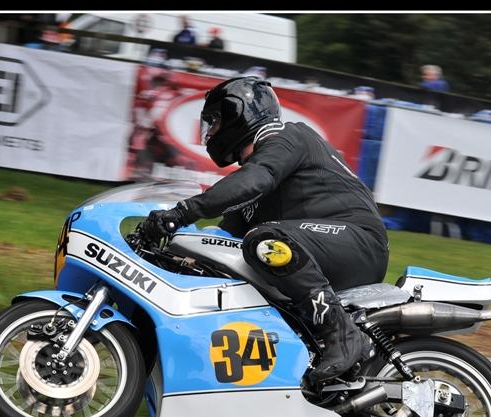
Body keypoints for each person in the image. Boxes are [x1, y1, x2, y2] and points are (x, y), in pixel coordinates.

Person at [142, 77, 389, 383]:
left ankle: (342, 335)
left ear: (238, 114)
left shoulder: (285, 137)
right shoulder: (253, 178)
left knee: (265, 240)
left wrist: (180, 213)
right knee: (241, 254)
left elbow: (256, 180)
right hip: (323, 244)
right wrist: (167, 257)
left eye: (214, 122)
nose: (209, 133)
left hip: (359, 239)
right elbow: (220, 243)